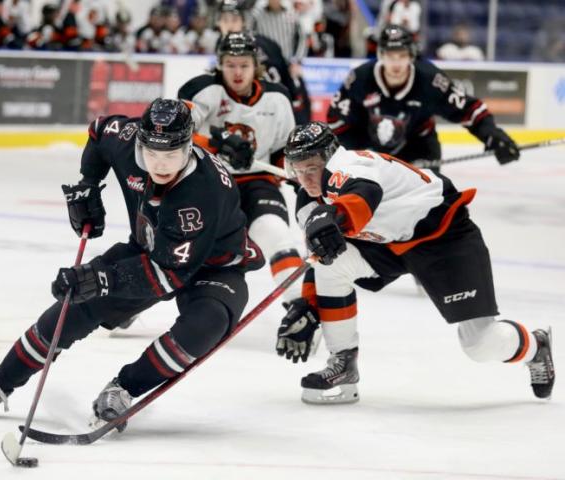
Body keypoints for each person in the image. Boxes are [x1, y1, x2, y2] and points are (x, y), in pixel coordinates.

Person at [0, 99, 264, 428]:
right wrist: (88, 184)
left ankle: (124, 388)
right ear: (139, 141)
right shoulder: (126, 140)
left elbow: (167, 276)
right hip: (151, 248)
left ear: (189, 147)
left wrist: (101, 278)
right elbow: (100, 131)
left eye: (171, 154)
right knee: (77, 303)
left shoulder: (202, 192)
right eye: (152, 153)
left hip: (215, 266)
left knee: (205, 325)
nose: (160, 164)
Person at [274, 121, 555, 404]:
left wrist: (337, 215)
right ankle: (343, 362)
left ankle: (536, 345)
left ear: (330, 156)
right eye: (298, 170)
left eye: (312, 168)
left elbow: (363, 193)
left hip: (443, 237)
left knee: (479, 344)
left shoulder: (348, 166)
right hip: (390, 243)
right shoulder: (308, 205)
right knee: (333, 266)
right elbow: (324, 256)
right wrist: (309, 304)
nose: (306, 178)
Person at [178, 31, 304, 304]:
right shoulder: (202, 90)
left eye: (244, 65)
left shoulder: (278, 98)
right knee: (182, 247)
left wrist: (299, 172)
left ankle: (300, 306)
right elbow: (176, 133)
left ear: (256, 66)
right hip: (209, 181)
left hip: (259, 182)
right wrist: (215, 144)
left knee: (275, 232)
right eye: (230, 64)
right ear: (220, 64)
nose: (237, 72)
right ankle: (132, 302)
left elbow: (285, 150)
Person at [327, 24, 519, 170]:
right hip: (369, 149)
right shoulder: (360, 78)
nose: (396, 63)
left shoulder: (430, 79)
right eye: (390, 55)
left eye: (401, 55)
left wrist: (493, 136)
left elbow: (469, 110)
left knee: (433, 208)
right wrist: (354, 155)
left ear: (411, 56)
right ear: (380, 55)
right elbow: (337, 122)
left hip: (419, 148)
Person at [216, 0, 311, 124]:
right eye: (225, 20)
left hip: (272, 103)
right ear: (218, 23)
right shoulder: (220, 46)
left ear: (243, 22)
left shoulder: (263, 45)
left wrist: (296, 62)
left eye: (234, 20)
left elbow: (282, 81)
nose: (229, 26)